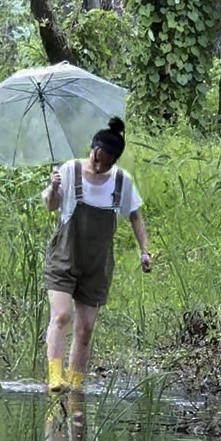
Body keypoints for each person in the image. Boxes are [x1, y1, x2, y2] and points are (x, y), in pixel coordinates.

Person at [41, 116, 151, 392]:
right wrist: (54, 187)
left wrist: (145, 252)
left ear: (115, 161)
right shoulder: (69, 170)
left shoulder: (121, 182)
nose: (99, 166)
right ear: (91, 148)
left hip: (97, 264)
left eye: (107, 163)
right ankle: (55, 376)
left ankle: (76, 382)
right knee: (62, 316)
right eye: (96, 158)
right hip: (64, 258)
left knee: (86, 328)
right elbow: (51, 206)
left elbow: (135, 216)